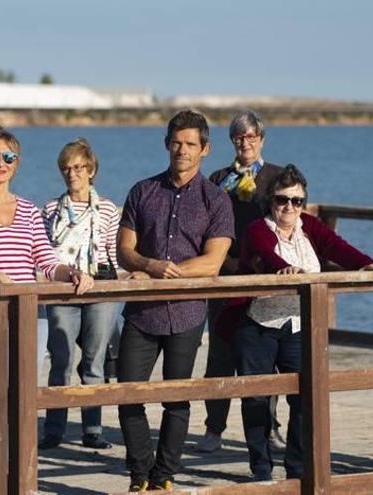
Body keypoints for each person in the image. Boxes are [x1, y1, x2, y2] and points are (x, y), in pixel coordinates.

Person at [219, 164, 373, 481]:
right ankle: (262, 469)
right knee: (256, 399)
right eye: (282, 200)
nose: (289, 207)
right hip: (258, 325)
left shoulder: (309, 226)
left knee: (305, 398)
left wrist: (366, 264)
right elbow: (264, 255)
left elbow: (337, 247)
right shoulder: (257, 229)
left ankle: (296, 467)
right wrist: (284, 269)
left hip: (296, 325)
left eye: (297, 201)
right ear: (270, 201)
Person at [116, 110, 233, 491]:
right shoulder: (142, 191)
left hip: (187, 312)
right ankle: (139, 475)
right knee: (128, 393)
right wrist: (150, 264)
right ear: (167, 144)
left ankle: (164, 477)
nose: (182, 150)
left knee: (177, 398)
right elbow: (124, 251)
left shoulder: (215, 199)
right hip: (141, 312)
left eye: (190, 144)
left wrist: (171, 271)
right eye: (176, 142)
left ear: (205, 150)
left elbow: (213, 261)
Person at [0, 125, 94, 371]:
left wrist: (72, 273)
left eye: (8, 157)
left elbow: (46, 262)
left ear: (16, 163)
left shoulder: (28, 209)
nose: (0, 162)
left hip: (30, 309)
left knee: (27, 388)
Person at [197, 109, 284, 454]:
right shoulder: (218, 178)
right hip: (226, 276)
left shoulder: (278, 177)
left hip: (265, 278)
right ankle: (213, 428)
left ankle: (270, 427)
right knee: (220, 355)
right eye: (238, 137)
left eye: (251, 136)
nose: (245, 142)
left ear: (261, 139)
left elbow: (293, 218)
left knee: (267, 357)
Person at [39, 138, 121, 451]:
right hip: (62, 289)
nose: (72, 173)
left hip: (100, 289)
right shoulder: (50, 209)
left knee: (94, 362)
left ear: (91, 170)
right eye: (66, 168)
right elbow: (44, 254)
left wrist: (129, 277)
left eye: (78, 167)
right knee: (60, 360)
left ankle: (93, 430)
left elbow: (113, 254)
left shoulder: (109, 210)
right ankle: (54, 430)